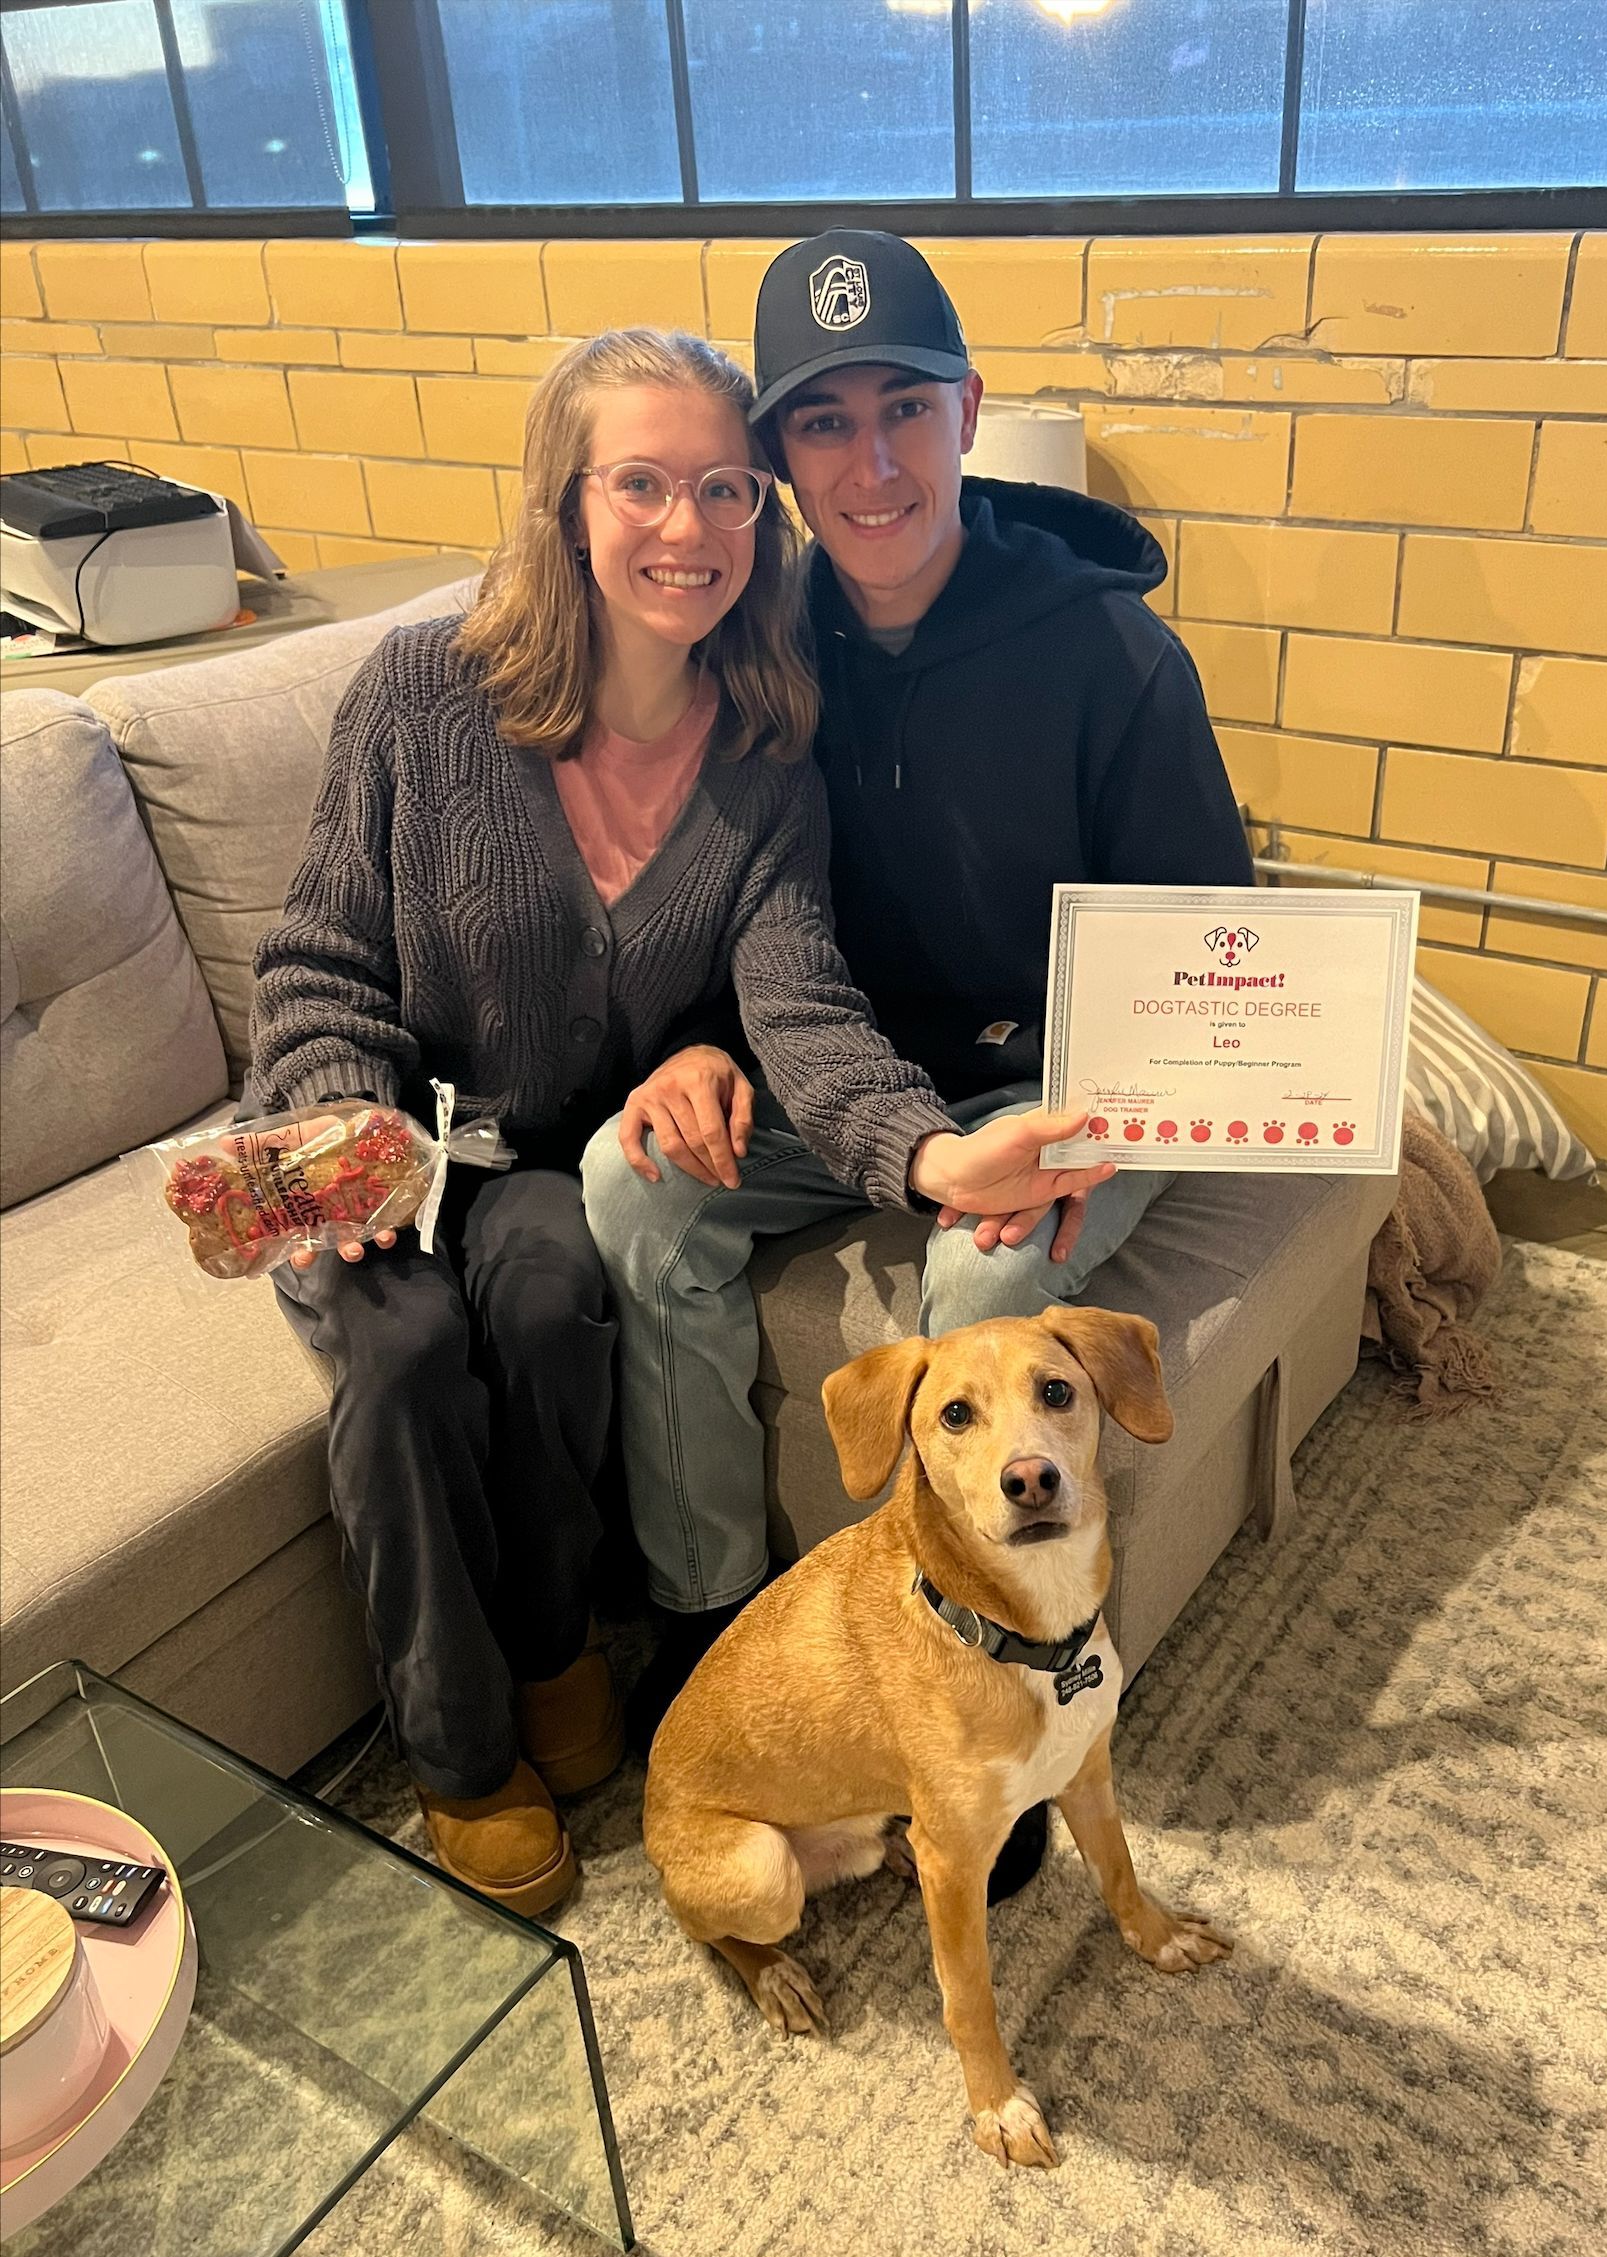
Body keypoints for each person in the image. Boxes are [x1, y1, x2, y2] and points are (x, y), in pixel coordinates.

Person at [249, 326, 1106, 1915]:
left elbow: (799, 1003)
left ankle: (568, 1647)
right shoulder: (423, 698)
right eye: (642, 484)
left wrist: (912, 1150)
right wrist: (334, 1132)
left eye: (723, 489)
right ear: (565, 502)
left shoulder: (770, 756)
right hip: (369, 1145)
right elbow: (317, 958)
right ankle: (454, 1745)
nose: (689, 529)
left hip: (543, 1160)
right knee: (405, 1346)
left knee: (562, 1293)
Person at [581, 233, 1255, 1894]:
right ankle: (708, 1619)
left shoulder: (1109, 655)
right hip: (855, 1076)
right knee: (629, 1187)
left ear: (968, 412)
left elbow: (1210, 948)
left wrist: (1113, 1113)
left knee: (977, 1297)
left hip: (1074, 1084)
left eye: (904, 410)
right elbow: (715, 886)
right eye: (821, 427)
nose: (868, 463)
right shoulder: (755, 630)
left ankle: (1012, 1697)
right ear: (777, 463)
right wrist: (688, 1050)